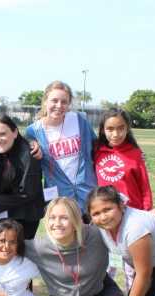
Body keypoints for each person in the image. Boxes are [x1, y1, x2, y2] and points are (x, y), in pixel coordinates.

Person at [24, 197, 127, 296]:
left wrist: (151, 212)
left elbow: (122, 222)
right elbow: (8, 244)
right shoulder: (39, 247)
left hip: (102, 287)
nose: (57, 223)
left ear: (75, 221)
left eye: (64, 218)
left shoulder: (96, 235)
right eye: (52, 217)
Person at [25, 81, 97, 219]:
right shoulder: (33, 130)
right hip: (59, 199)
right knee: (66, 239)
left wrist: (130, 152)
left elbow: (98, 146)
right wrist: (31, 143)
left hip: (89, 194)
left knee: (93, 237)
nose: (59, 106)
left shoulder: (78, 120)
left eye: (64, 102)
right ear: (45, 101)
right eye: (54, 100)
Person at [0, 114, 45, 240]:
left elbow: (26, 193)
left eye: (2, 134)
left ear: (15, 132)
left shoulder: (27, 156)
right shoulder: (1, 150)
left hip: (23, 220)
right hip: (3, 214)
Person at [94, 108, 153, 211]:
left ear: (127, 129)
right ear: (103, 130)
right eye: (110, 129)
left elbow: (144, 186)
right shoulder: (95, 151)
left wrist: (148, 209)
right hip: (107, 211)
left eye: (121, 128)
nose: (116, 134)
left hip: (133, 211)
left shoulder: (135, 153)